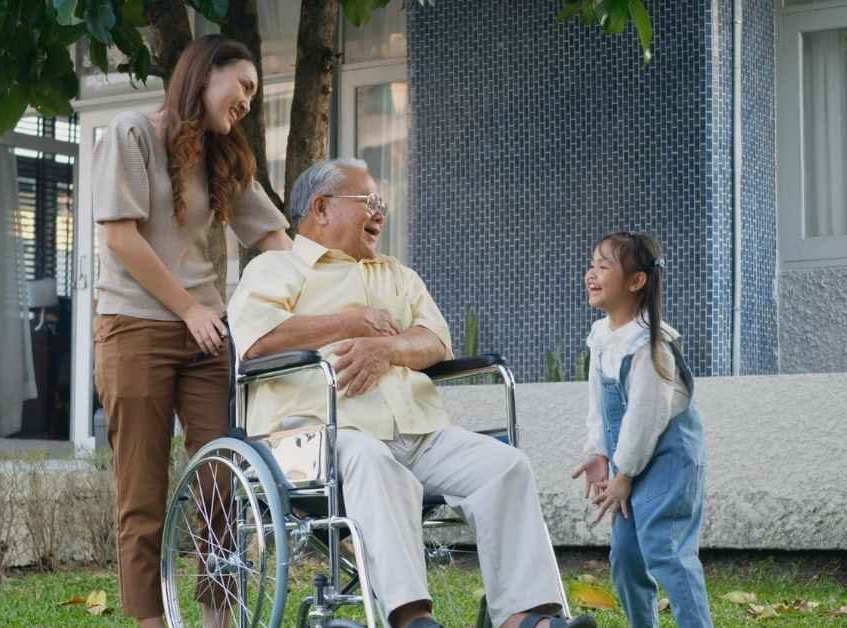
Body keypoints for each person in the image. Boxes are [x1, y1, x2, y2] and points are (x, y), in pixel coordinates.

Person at [229, 158, 595, 628]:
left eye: (382, 203)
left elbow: (436, 340)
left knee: (504, 466)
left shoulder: (396, 274)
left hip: (415, 428)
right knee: (373, 461)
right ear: (321, 208)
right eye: (369, 202)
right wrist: (348, 321)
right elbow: (256, 342)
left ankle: (525, 616)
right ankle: (411, 618)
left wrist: (387, 349)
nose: (381, 213)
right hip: (315, 436)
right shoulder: (275, 269)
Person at [91, 34, 291, 626]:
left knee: (222, 479)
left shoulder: (223, 156)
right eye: (244, 86)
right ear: (205, 75)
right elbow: (121, 236)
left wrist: (320, 287)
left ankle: (217, 618)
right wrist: (189, 310)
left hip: (208, 337)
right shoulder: (132, 133)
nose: (249, 102)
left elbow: (275, 240)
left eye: (255, 94)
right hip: (135, 329)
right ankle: (152, 620)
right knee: (143, 492)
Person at [572, 231, 713, 628]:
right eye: (592, 264)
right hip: (628, 465)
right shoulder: (604, 338)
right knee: (626, 557)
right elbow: (599, 403)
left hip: (667, 462)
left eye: (604, 266)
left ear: (636, 282)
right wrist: (598, 452)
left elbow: (645, 419)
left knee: (665, 552)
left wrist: (625, 474)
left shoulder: (649, 347)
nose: (591, 274)